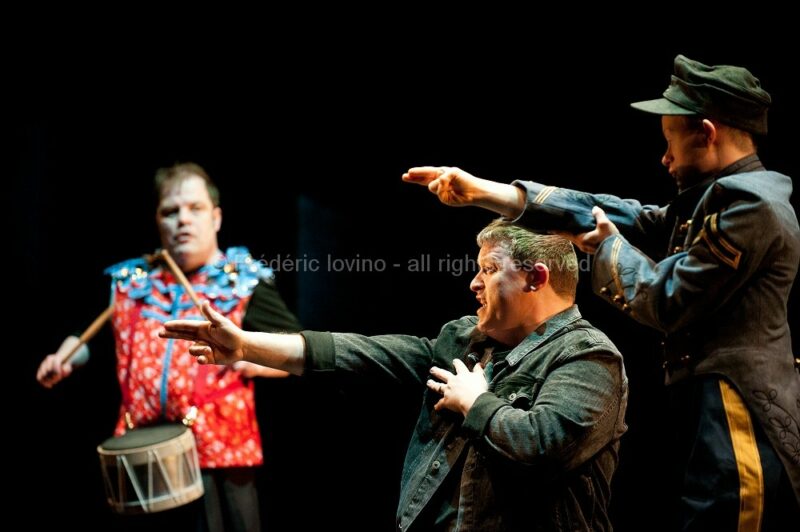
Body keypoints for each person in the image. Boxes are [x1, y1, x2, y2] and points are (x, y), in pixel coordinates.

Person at [403, 54, 800, 531]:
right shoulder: (719, 201)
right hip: (709, 403)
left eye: (670, 140)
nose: (664, 158)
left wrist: (610, 246)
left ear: (707, 132)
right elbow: (610, 211)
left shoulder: (751, 208)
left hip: (737, 409)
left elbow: (665, 299)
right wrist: (486, 192)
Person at [161, 219, 628, 531]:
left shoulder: (589, 357)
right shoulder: (466, 340)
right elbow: (363, 353)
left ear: (536, 278)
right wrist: (245, 345)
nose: (473, 282)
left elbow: (543, 442)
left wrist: (476, 403)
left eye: (489, 269)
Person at [36, 162, 302, 532]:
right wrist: (64, 359)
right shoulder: (131, 282)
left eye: (195, 209)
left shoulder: (242, 282)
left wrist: (254, 361)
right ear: (158, 221)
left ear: (217, 218)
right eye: (170, 212)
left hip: (220, 454)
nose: (182, 221)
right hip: (141, 445)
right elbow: (86, 342)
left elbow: (294, 347)